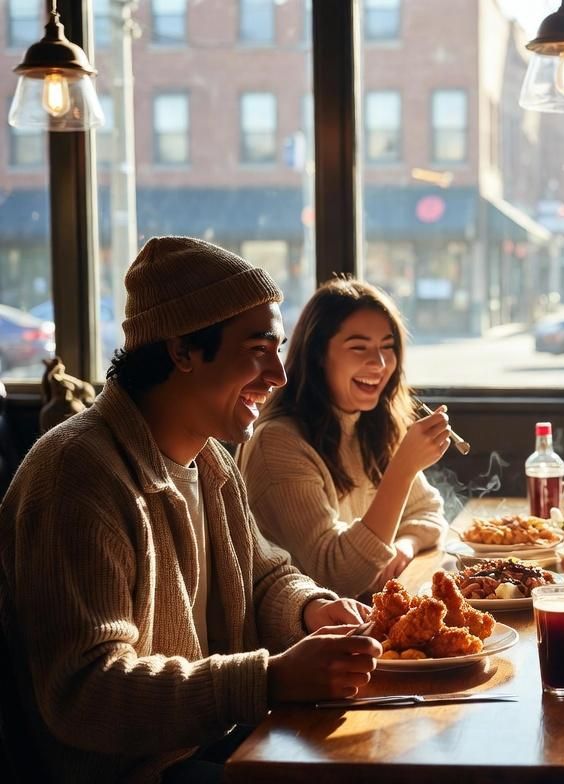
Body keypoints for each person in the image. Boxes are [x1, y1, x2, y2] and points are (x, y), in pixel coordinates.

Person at [0, 237, 383, 784]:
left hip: (214, 744)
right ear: (181, 351)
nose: (279, 375)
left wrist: (311, 610)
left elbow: (263, 574)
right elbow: (88, 692)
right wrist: (269, 679)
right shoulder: (77, 474)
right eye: (258, 350)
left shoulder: (208, 458)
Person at [238, 278, 451, 599]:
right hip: (309, 641)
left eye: (387, 346)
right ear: (319, 354)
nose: (379, 364)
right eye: (359, 347)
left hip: (366, 621)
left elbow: (429, 511)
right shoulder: (277, 444)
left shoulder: (372, 423)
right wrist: (403, 469)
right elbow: (335, 574)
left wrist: (404, 545)